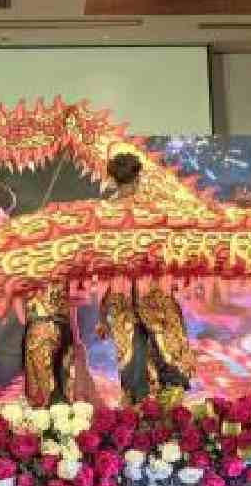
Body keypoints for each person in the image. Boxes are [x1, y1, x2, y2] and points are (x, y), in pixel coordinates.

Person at [100, 152, 195, 402]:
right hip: (152, 287)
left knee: (132, 363)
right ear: (139, 175)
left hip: (120, 293)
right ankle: (171, 413)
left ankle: (139, 413)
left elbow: (102, 263)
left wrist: (102, 311)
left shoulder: (104, 213)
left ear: (112, 178)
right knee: (170, 358)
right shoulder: (156, 207)